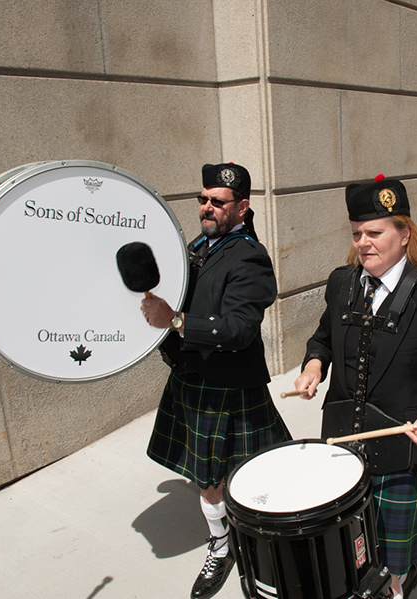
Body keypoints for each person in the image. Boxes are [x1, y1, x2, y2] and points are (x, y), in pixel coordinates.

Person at [294, 175, 417, 599]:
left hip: (404, 456)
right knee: (350, 549)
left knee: (389, 563)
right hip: (341, 445)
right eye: (357, 233)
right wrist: (314, 364)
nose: (363, 242)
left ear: (404, 234)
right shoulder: (342, 283)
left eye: (375, 232)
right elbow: (323, 335)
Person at [141, 162, 291, 599]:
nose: (207, 208)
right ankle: (221, 545)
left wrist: (177, 320)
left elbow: (239, 328)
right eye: (203, 199)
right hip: (191, 375)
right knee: (206, 477)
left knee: (251, 474)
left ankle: (256, 542)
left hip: (227, 383)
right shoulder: (196, 246)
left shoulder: (250, 257)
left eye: (218, 202)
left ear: (242, 208)